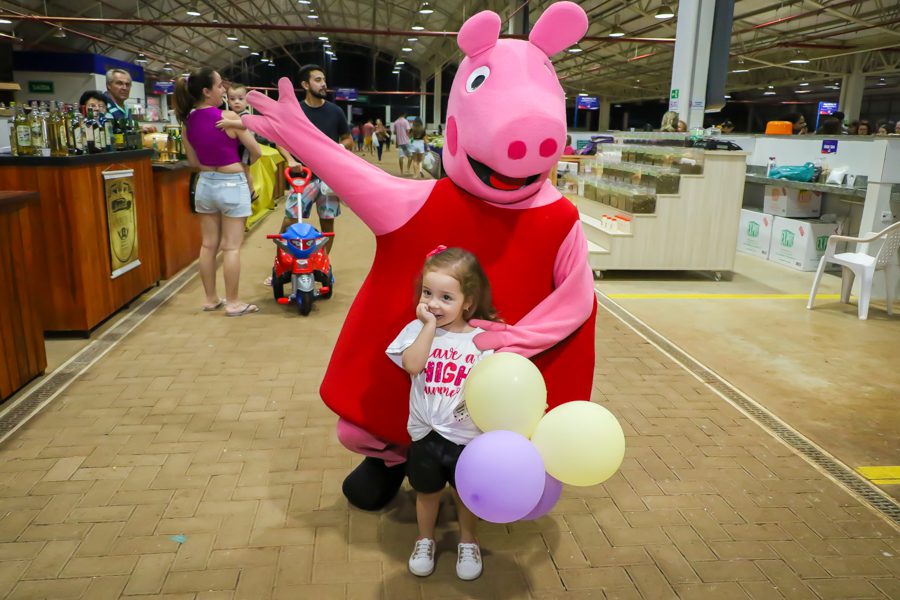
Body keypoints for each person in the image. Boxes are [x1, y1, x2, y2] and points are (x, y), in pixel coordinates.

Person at [386, 246, 499, 581]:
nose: (434, 304)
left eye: (446, 297)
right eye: (427, 293)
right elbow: (412, 364)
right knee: (427, 492)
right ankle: (425, 539)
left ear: (468, 300)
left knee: (466, 495)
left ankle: (468, 540)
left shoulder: (483, 340)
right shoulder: (417, 332)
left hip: (466, 437)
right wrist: (428, 327)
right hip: (425, 435)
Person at [174, 67, 261, 317]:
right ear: (206, 91)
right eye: (219, 86)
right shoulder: (228, 118)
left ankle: (211, 299)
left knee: (208, 245)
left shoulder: (187, 122)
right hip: (232, 183)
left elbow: (192, 160)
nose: (224, 89)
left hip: (204, 185)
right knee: (231, 247)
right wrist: (244, 163)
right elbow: (256, 151)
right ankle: (233, 302)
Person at [226, 83, 258, 203]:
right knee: (243, 170)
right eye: (232, 99)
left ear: (247, 101)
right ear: (228, 101)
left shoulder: (246, 115)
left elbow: (244, 125)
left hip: (246, 148)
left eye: (240, 99)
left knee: (245, 169)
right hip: (238, 147)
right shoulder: (233, 115)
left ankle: (251, 191)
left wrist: (228, 123)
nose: (236, 102)